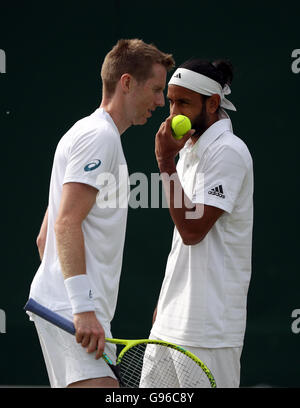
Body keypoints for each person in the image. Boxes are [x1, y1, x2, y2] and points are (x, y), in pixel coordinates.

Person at [27, 39, 175, 388]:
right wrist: (80, 308)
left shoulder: (86, 132)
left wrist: (76, 305)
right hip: (72, 313)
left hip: (66, 309)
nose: (159, 102)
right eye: (155, 90)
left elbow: (44, 238)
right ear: (126, 83)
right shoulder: (99, 138)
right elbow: (65, 223)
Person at [147, 58, 253, 388]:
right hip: (169, 325)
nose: (174, 112)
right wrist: (165, 306)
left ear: (213, 103)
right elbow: (183, 243)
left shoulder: (228, 152)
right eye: (171, 101)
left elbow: (192, 229)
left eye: (184, 102)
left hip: (209, 331)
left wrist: (165, 163)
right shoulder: (189, 150)